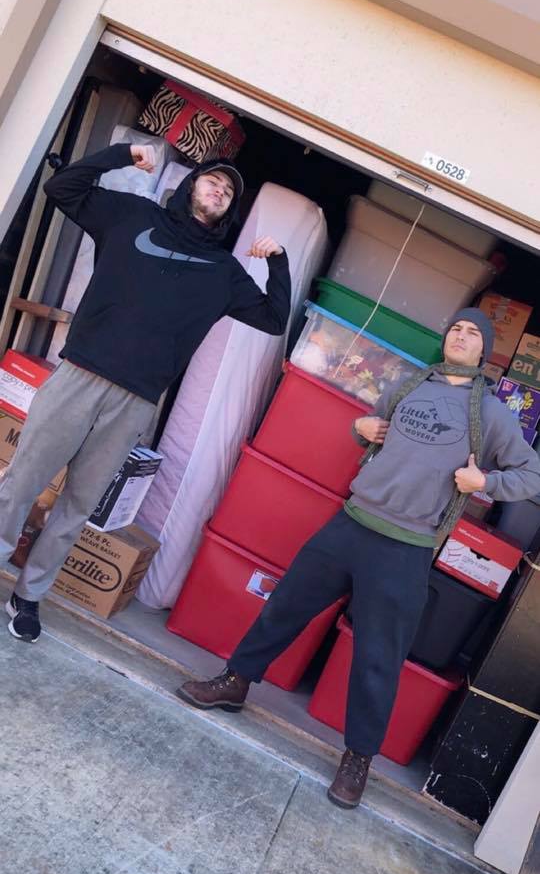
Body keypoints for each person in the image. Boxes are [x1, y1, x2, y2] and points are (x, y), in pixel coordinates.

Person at [176, 309, 540, 810]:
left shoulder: (490, 415)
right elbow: (369, 430)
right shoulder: (410, 383)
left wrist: (485, 485)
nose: (460, 335)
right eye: (455, 327)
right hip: (350, 523)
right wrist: (360, 427)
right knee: (285, 609)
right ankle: (236, 681)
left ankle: (358, 759)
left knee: (377, 658)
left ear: (484, 351)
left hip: (407, 547)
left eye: (472, 332)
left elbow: (531, 475)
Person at [3, 143, 291, 643]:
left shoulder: (223, 273)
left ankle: (28, 596)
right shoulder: (133, 215)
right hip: (80, 375)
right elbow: (61, 188)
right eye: (213, 181)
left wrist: (279, 262)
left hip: (135, 401)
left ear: (229, 211)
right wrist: (121, 155)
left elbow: (272, 318)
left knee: (77, 507)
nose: (220, 190)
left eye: (228, 192)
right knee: (21, 482)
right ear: (190, 186)